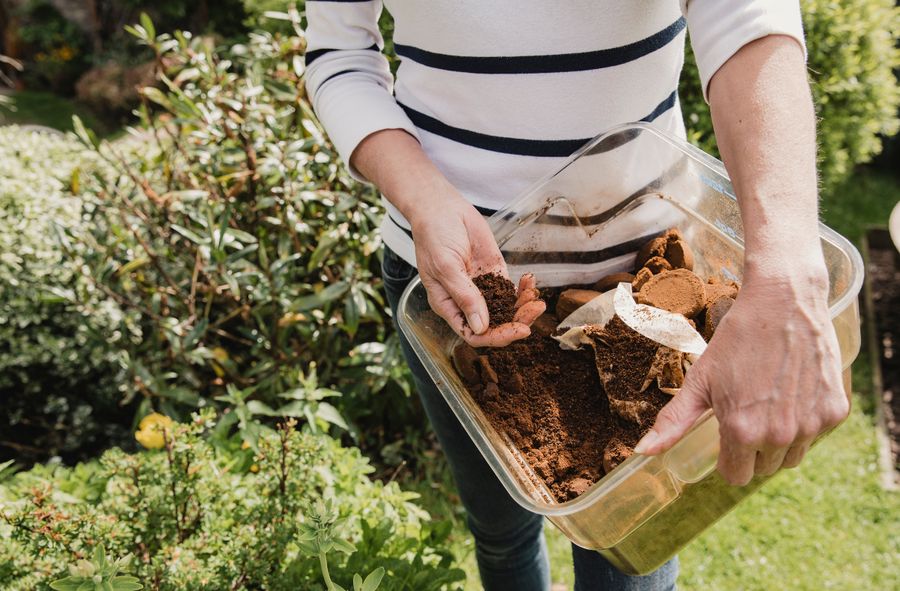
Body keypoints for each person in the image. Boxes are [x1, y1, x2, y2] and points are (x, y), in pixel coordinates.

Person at [304, 1, 849, 589]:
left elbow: (747, 16)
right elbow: (339, 54)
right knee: (501, 528)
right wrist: (422, 197)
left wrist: (788, 279)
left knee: (631, 556)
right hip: (457, 294)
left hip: (647, 286)